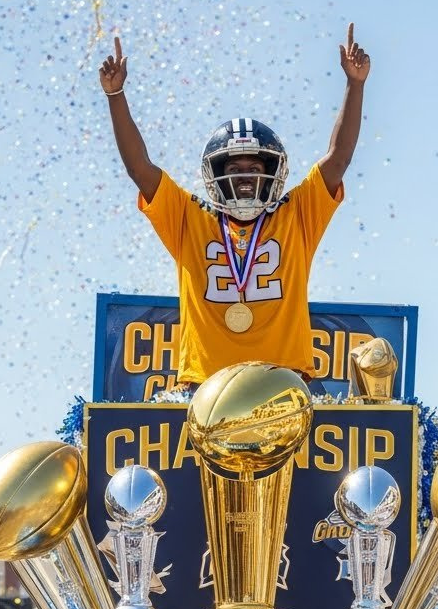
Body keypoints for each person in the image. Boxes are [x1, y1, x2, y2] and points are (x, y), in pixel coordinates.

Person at [99, 24, 371, 387]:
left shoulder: (297, 215)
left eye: (255, 168)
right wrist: (115, 94)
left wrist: (355, 86)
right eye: (235, 169)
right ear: (214, 175)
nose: (245, 177)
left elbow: (338, 159)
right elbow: (140, 169)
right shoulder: (188, 217)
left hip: (285, 383)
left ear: (273, 172)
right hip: (204, 385)